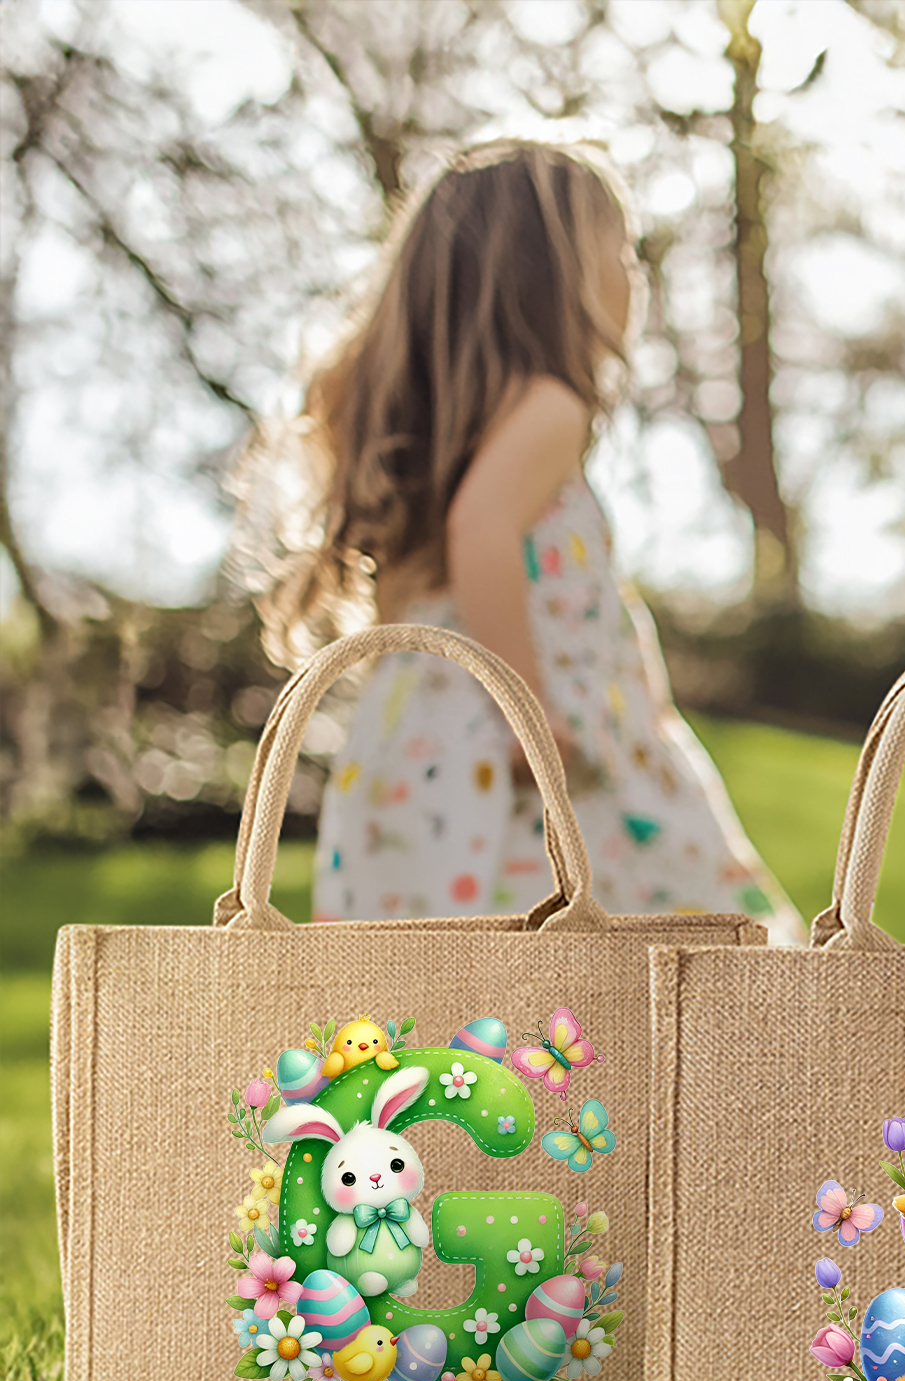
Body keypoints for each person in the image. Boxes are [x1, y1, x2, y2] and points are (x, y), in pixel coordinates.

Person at [234, 139, 800, 937]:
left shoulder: (439, 439)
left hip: (415, 750)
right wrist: (532, 716)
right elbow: (484, 531)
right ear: (554, 274)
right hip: (519, 750)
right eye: (621, 252)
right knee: (649, 967)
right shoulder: (552, 406)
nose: (634, 276)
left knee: (442, 987)